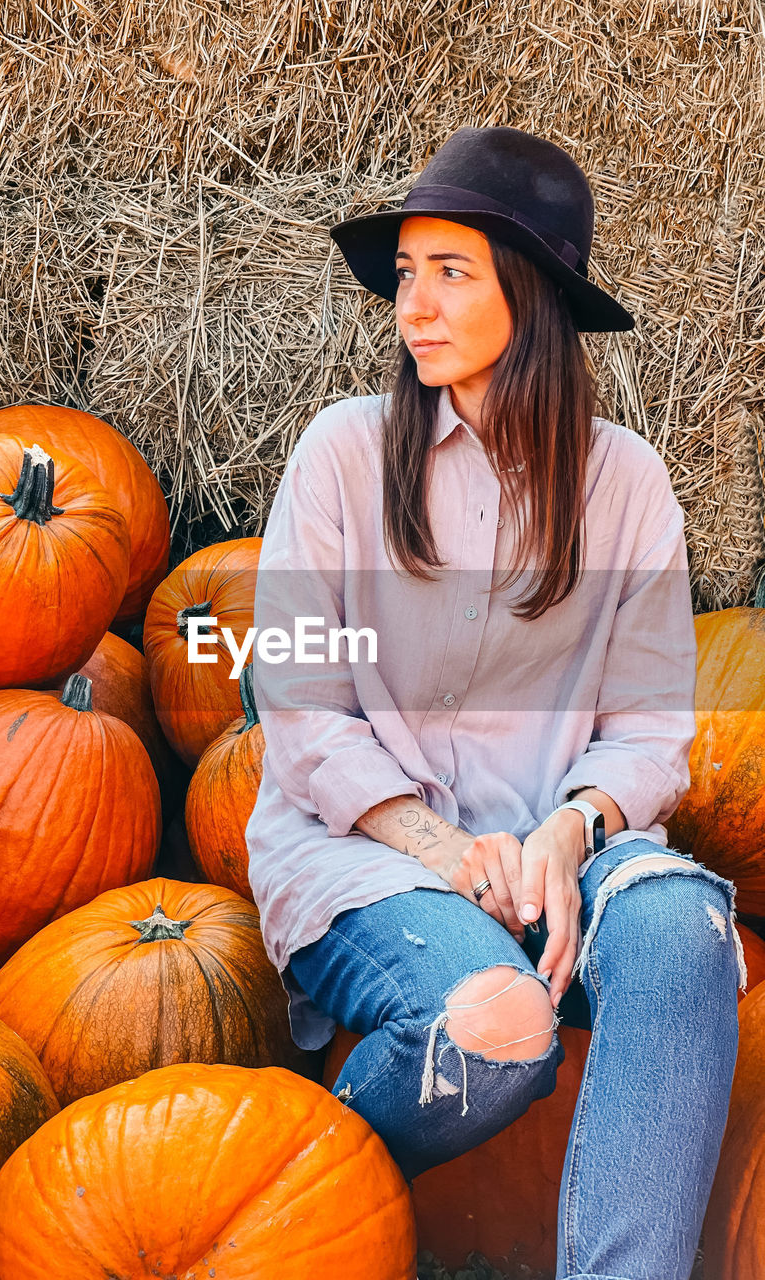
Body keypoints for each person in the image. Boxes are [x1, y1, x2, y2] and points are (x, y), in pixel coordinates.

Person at [243, 126, 745, 1280]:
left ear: (531, 293)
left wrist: (569, 832)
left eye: (450, 272)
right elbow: (304, 704)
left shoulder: (625, 483)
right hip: (368, 851)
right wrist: (447, 846)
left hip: (555, 845)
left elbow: (654, 731)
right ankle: (278, 1204)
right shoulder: (342, 455)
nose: (414, 304)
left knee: (682, 929)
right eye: (406, 273)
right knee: (499, 1026)